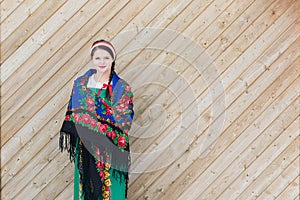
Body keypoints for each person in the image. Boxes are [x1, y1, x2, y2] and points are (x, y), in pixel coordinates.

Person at [59, 40, 134, 200]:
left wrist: (96, 125)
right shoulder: (80, 84)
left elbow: (125, 120)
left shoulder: (122, 88)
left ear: (113, 59)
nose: (102, 62)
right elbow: (74, 116)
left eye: (106, 58)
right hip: (85, 148)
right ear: (92, 59)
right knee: (85, 190)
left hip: (111, 150)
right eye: (98, 58)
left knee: (112, 193)